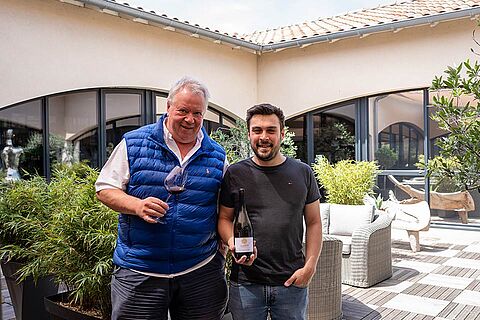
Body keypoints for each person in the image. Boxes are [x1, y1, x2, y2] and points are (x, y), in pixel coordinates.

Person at [95, 76, 228, 320]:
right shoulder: (134, 143)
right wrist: (136, 205)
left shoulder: (217, 155)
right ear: (168, 108)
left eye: (197, 113)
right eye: (183, 111)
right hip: (140, 270)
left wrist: (226, 244)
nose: (190, 119)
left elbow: (225, 208)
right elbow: (105, 188)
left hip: (200, 270)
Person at [218, 103, 323, 320]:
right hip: (245, 283)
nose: (263, 136)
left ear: (282, 134)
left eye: (271, 130)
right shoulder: (235, 173)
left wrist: (310, 267)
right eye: (257, 130)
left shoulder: (302, 172)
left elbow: (314, 222)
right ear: (249, 134)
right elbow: (224, 218)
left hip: (291, 282)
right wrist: (232, 243)